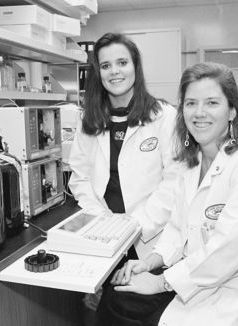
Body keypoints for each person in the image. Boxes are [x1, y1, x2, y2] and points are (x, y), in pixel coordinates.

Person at [96, 62, 238, 326]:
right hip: (198, 278)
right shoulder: (192, 163)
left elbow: (228, 252)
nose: (199, 113)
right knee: (115, 297)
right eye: (190, 103)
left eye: (211, 103)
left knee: (123, 309)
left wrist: (161, 282)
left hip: (236, 290)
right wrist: (150, 263)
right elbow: (177, 228)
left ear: (232, 111)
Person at [68, 32, 178, 260]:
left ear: (135, 67)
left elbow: (174, 182)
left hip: (150, 238)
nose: (114, 71)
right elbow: (80, 177)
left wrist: (135, 224)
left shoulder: (163, 117)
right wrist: (102, 218)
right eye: (106, 65)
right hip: (101, 233)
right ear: (98, 73)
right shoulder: (89, 119)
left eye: (122, 62)